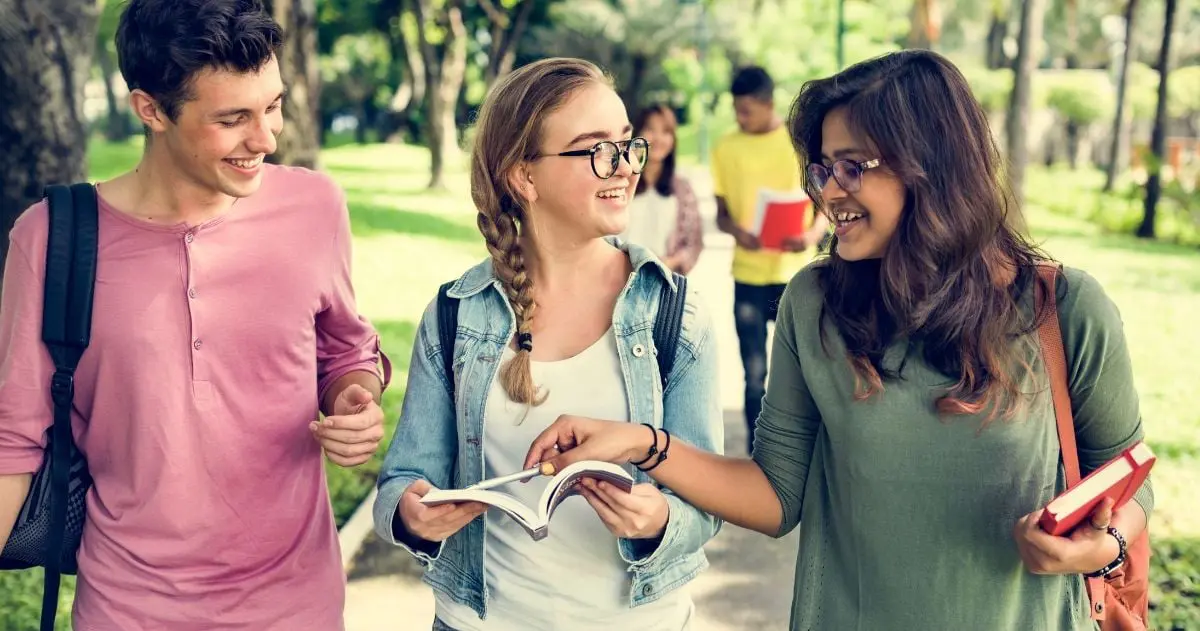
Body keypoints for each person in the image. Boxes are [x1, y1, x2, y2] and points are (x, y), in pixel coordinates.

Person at [524, 50, 1153, 631]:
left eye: (853, 167)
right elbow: (776, 497)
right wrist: (642, 443)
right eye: (824, 168)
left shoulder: (1064, 310)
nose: (827, 191)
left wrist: (1105, 545)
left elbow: (1130, 480)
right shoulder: (815, 304)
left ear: (932, 166)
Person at [0, 1, 390, 628]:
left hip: (298, 602)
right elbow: (13, 439)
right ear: (150, 110)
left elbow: (344, 348)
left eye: (272, 106)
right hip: (129, 606)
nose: (265, 139)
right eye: (233, 119)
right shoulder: (51, 238)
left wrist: (352, 397)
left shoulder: (315, 206)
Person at [372, 57, 724, 631]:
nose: (626, 167)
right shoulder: (455, 314)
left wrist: (659, 520)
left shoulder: (674, 314)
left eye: (627, 144)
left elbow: (708, 503)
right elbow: (401, 481)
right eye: (597, 149)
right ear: (524, 177)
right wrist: (413, 515)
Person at [712, 65, 829, 454]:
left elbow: (824, 204)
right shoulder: (725, 147)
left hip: (796, 277)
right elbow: (721, 214)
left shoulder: (798, 143)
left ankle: (806, 451)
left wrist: (810, 236)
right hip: (747, 276)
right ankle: (756, 455)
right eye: (736, 110)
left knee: (804, 371)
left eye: (746, 110)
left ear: (768, 104)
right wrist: (737, 232)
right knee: (753, 375)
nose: (740, 118)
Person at [619, 103, 703, 275]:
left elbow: (693, 243)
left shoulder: (682, 189)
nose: (658, 138)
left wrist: (669, 263)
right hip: (618, 274)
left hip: (662, 277)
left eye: (666, 131)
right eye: (650, 129)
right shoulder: (619, 181)